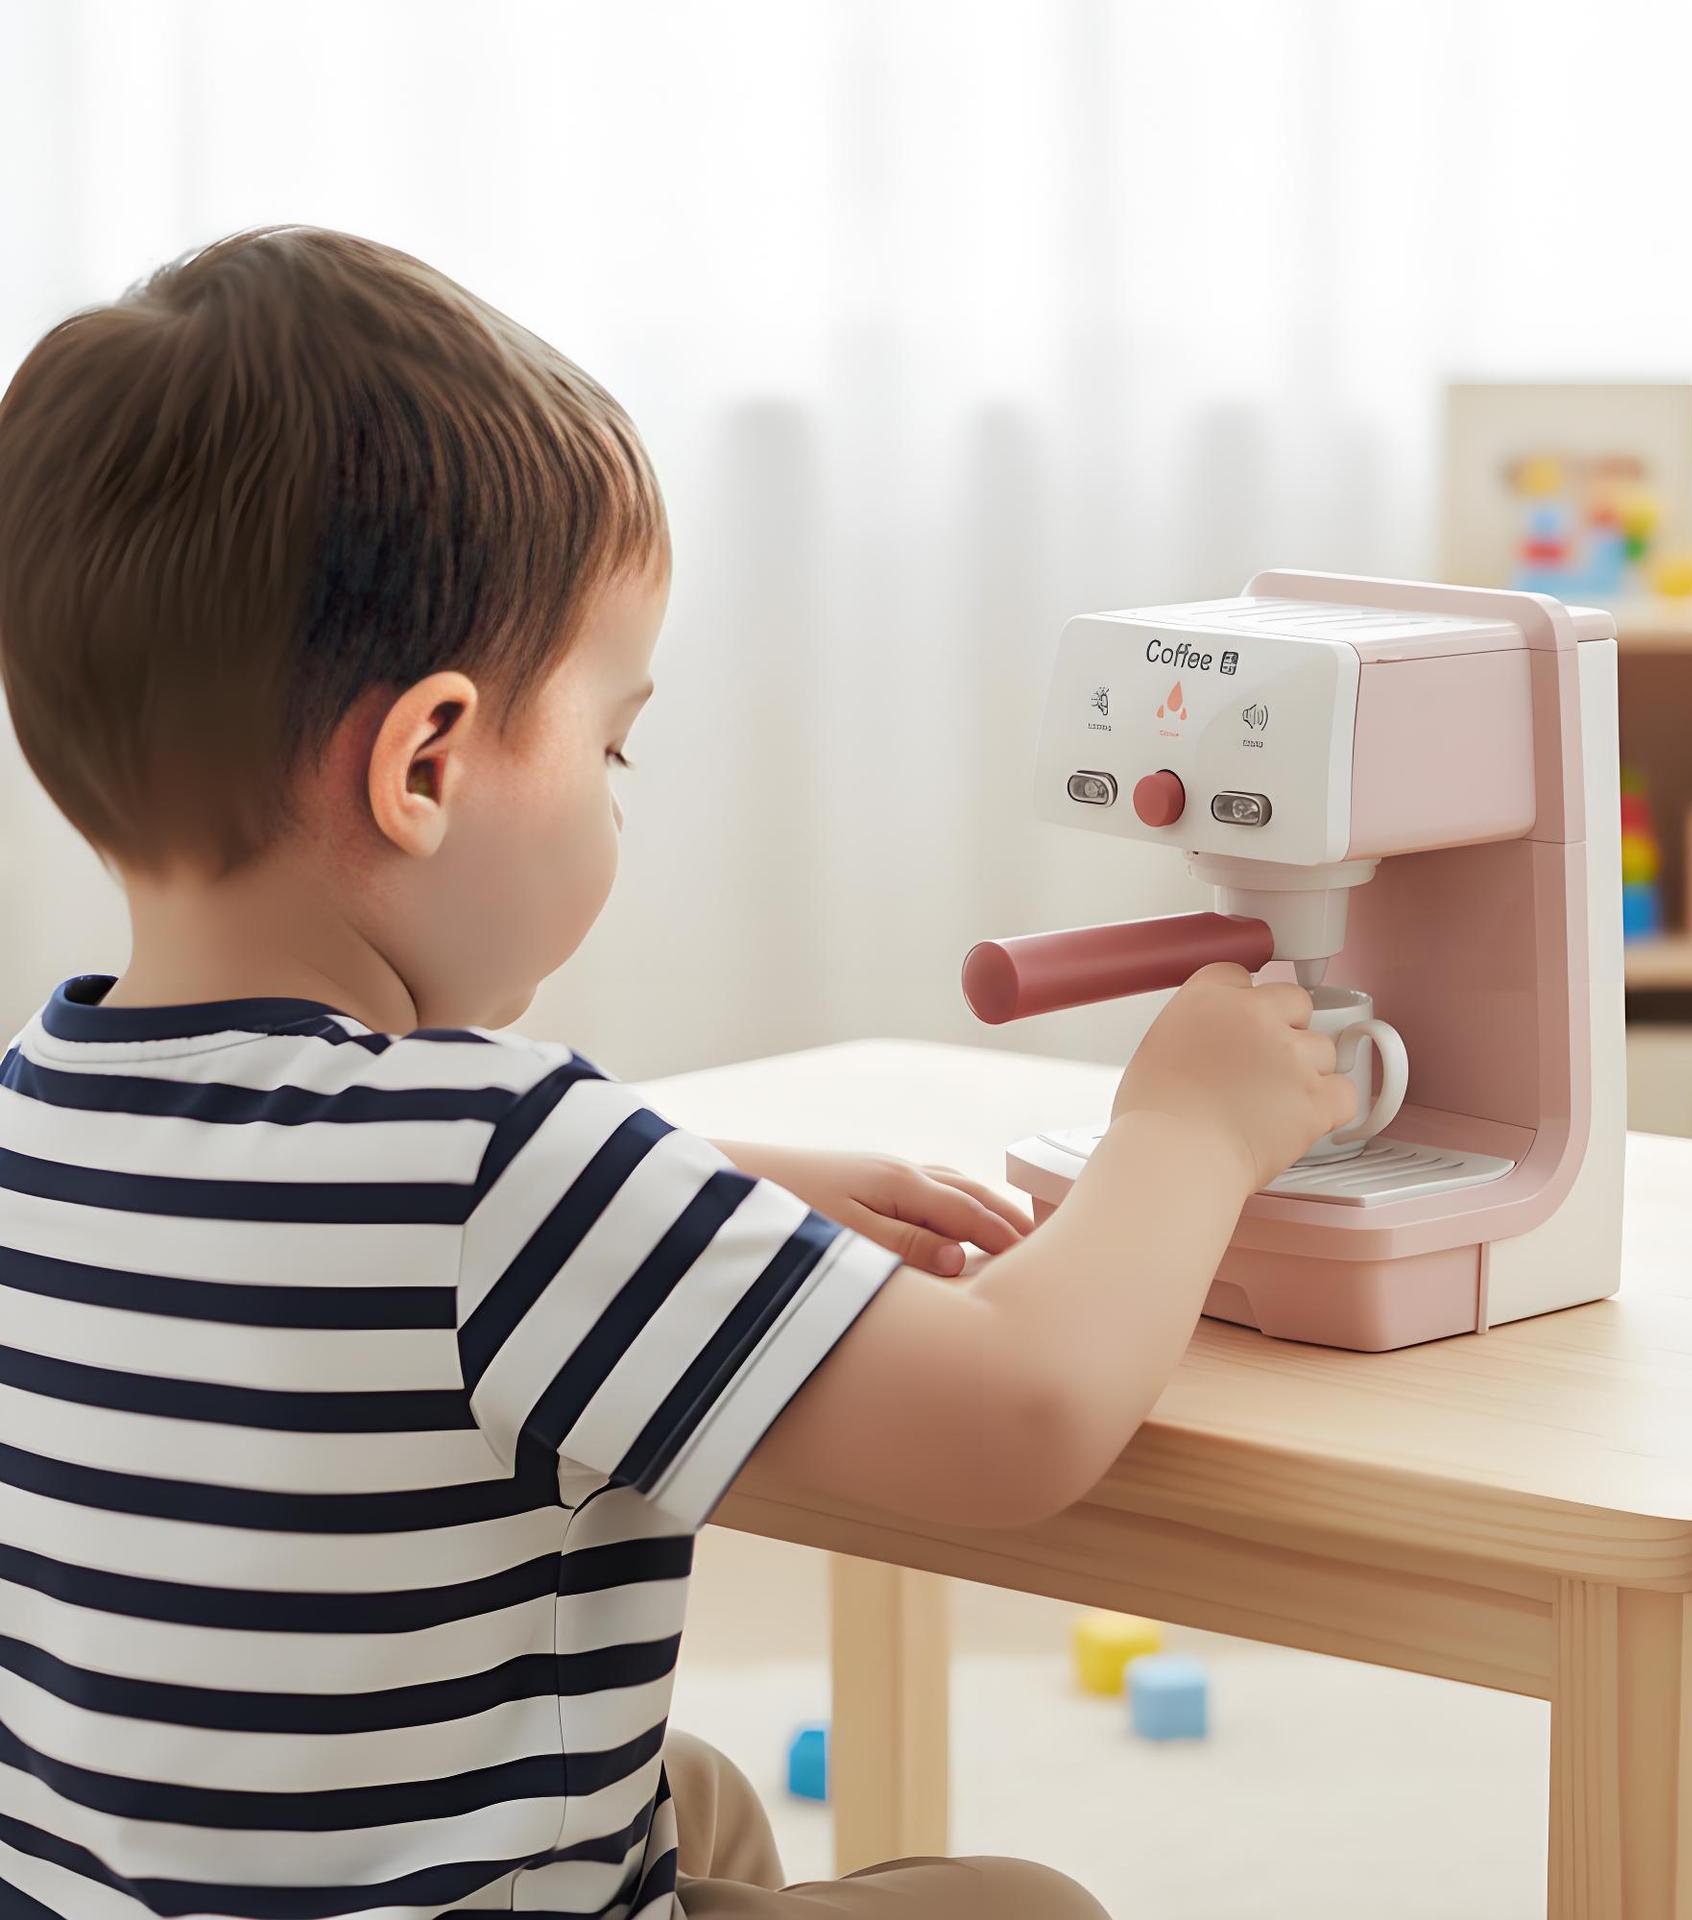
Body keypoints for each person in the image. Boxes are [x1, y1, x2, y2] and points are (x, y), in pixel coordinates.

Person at [0, 228, 1354, 1920]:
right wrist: (1190, 1126)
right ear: (427, 765)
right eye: (612, 741)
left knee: (684, 1787)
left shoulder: (42, 1113)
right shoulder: (498, 1158)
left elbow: (326, 1237)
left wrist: (696, 1187)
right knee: (1024, 1908)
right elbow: (1016, 1414)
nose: (620, 789)